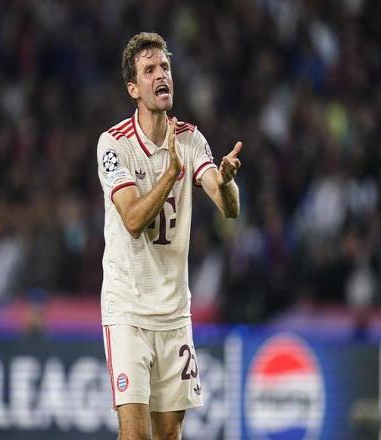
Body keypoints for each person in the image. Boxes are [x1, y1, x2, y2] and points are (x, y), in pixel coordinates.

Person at [97, 32, 242, 439]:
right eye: (149, 70)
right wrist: (170, 174)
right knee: (136, 435)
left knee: (169, 436)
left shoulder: (190, 139)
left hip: (175, 314)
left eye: (165, 67)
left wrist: (227, 181)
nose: (161, 75)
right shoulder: (113, 145)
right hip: (128, 311)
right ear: (133, 89)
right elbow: (132, 219)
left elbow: (229, 207)